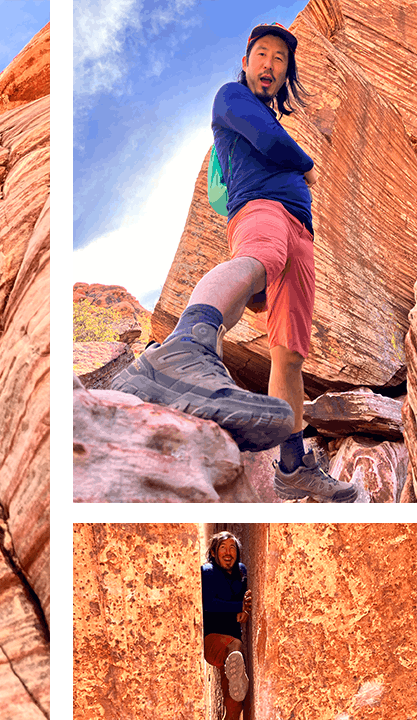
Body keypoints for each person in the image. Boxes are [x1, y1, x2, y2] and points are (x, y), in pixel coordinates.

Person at [112, 22, 357, 503]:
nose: (269, 64)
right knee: (258, 257)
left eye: (280, 59)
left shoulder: (269, 112)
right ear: (245, 63)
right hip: (259, 207)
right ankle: (186, 342)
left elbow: (274, 135)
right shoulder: (231, 97)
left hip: (301, 228)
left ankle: (292, 466)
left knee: (290, 352)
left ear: (286, 74)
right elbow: (268, 142)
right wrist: (306, 165)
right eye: (261, 54)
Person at [202, 531, 252, 720]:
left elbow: (244, 602)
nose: (228, 552)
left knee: (234, 706)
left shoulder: (241, 572)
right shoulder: (207, 572)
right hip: (213, 641)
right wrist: (239, 607)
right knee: (235, 646)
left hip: (234, 648)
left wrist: (244, 608)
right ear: (213, 552)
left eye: (232, 547)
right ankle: (237, 674)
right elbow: (209, 603)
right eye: (223, 548)